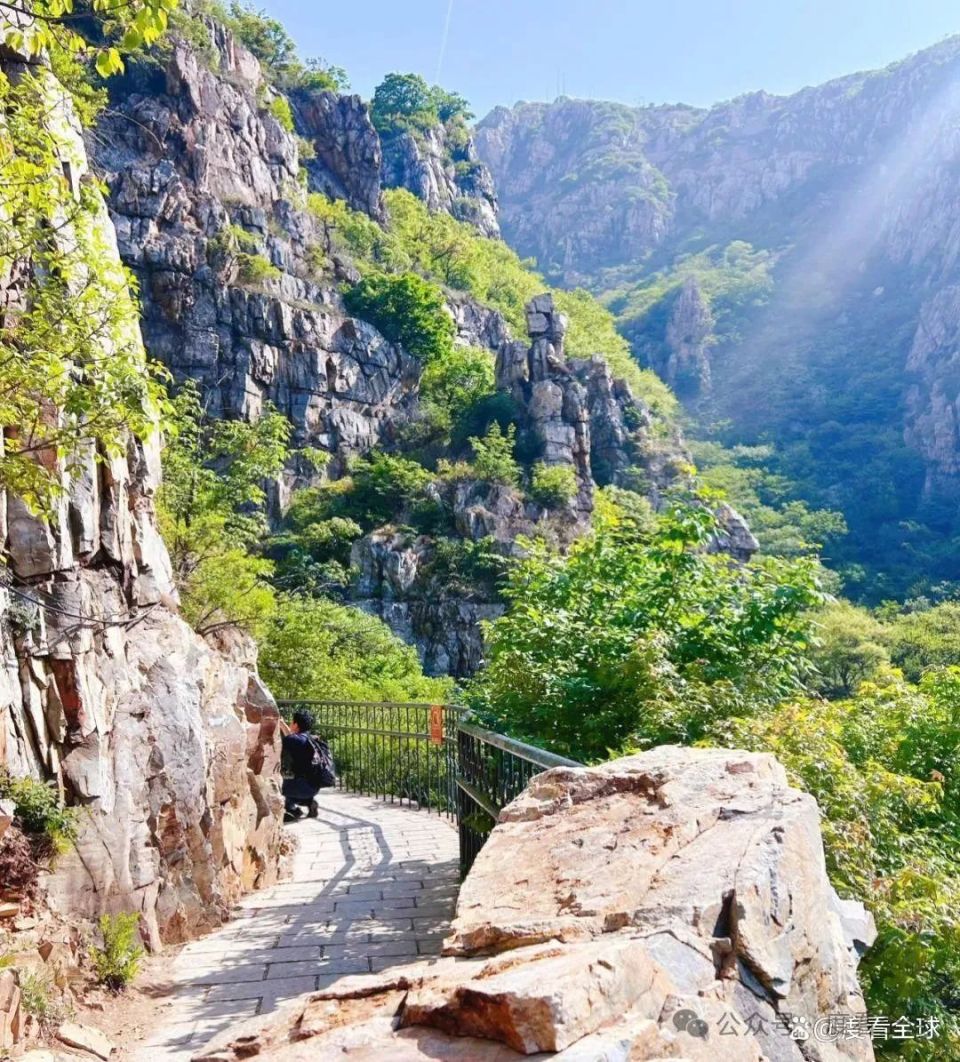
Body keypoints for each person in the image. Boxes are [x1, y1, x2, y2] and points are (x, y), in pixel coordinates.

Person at [279, 709, 335, 821]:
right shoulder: (312, 739)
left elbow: (285, 742)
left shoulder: (292, 740)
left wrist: (280, 726)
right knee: (299, 779)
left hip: (299, 788)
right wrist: (283, 725)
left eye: (291, 722)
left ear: (295, 724)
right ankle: (309, 802)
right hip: (313, 788)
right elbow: (292, 738)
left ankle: (292, 810)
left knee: (277, 785)